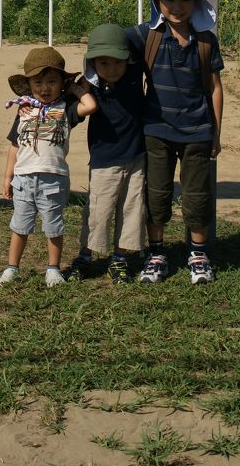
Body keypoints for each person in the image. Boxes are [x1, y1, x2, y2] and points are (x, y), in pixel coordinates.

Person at [126, 0, 224, 286]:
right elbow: (114, 44)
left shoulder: (206, 41)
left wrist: (216, 132)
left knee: (197, 195)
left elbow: (215, 88)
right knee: (156, 193)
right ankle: (157, 253)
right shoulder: (147, 36)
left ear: (196, 2)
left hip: (198, 132)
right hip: (156, 132)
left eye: (185, 0)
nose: (177, 7)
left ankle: (198, 254)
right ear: (158, 1)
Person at [0, 46, 97, 288]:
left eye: (52, 81)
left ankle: (53, 269)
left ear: (61, 83)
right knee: (20, 226)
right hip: (23, 178)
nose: (44, 87)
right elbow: (15, 145)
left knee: (54, 226)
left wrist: (73, 88)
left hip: (54, 179)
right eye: (38, 82)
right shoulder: (24, 110)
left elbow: (90, 106)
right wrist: (8, 176)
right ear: (28, 84)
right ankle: (12, 268)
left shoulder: (66, 109)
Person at [67, 24, 146, 286]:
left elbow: (147, 32)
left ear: (128, 59)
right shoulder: (90, 88)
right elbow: (68, 115)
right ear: (92, 62)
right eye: (103, 63)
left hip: (136, 157)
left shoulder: (134, 75)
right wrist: (77, 90)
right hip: (104, 161)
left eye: (117, 62)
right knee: (98, 211)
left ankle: (120, 258)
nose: (112, 68)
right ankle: (85, 256)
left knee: (131, 209)